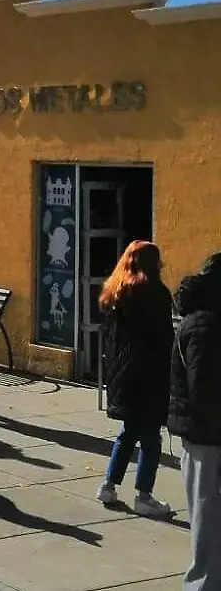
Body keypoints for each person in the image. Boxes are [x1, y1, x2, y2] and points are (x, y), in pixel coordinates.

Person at [95, 240, 174, 519]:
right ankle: (144, 495)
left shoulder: (116, 291)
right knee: (151, 437)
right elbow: (163, 338)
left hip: (122, 374)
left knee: (129, 432)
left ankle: (108, 485)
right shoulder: (155, 293)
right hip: (149, 375)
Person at [169, 252, 221, 590]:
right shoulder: (205, 326)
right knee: (207, 518)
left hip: (206, 434)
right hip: (207, 437)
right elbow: (204, 390)